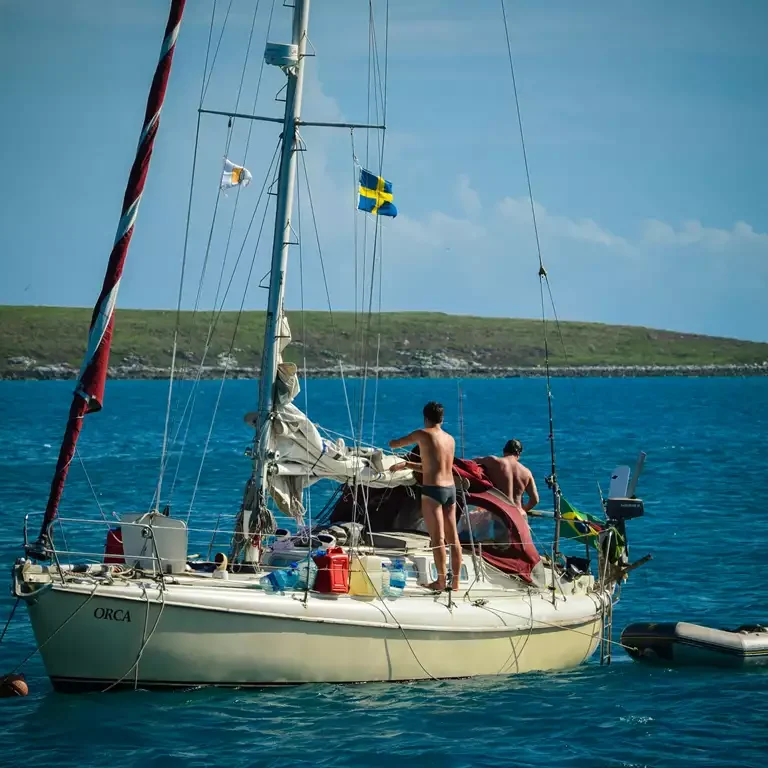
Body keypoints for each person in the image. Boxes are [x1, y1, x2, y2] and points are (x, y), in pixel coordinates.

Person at [389, 401, 461, 592]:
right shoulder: (450, 439)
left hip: (433, 491)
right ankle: (455, 583)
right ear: (442, 418)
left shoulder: (423, 434)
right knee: (453, 539)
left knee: (437, 539)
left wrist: (392, 444)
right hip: (450, 490)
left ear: (425, 418)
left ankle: (440, 580)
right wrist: (407, 465)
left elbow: (396, 445)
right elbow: (435, 467)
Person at [475, 439, 539, 515]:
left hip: (501, 515)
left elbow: (470, 463)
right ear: (519, 454)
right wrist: (522, 510)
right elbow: (535, 500)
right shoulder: (527, 472)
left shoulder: (494, 461)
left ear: (504, 451)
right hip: (519, 516)